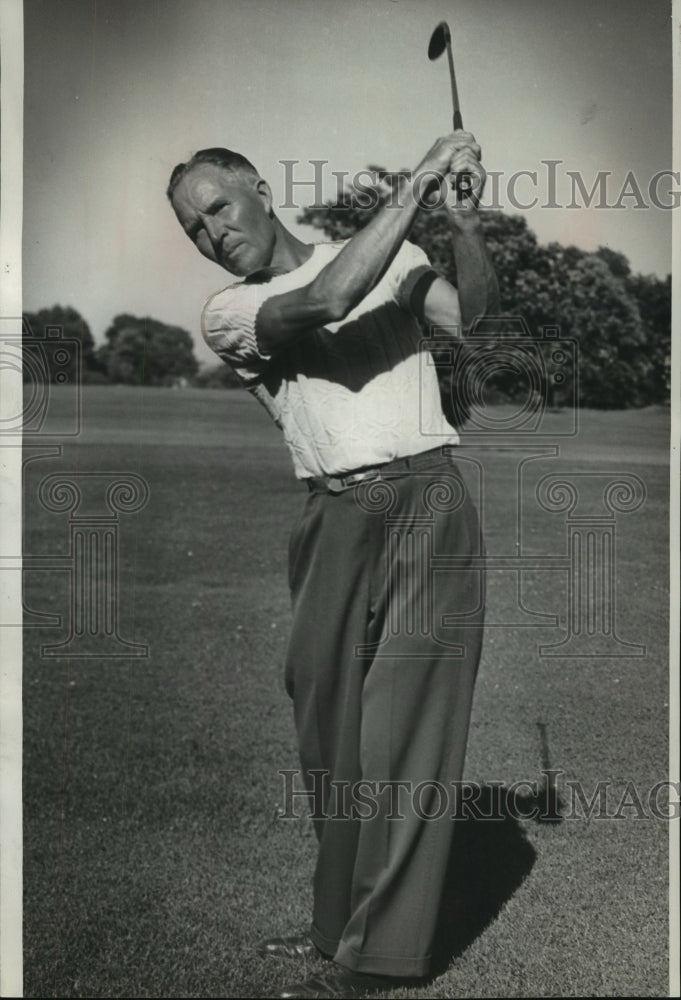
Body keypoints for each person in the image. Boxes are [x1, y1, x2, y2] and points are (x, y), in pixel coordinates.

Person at [167, 132, 499, 998]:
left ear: (259, 190)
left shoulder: (400, 256)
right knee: (330, 734)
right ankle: (332, 926)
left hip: (427, 498)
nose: (211, 233)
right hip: (331, 516)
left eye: (219, 208)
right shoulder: (230, 312)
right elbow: (325, 297)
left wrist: (461, 225)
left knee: (403, 731)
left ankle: (379, 959)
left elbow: (470, 318)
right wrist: (420, 177)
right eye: (193, 227)